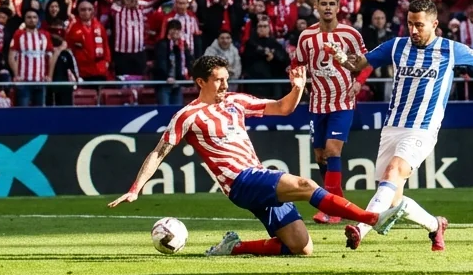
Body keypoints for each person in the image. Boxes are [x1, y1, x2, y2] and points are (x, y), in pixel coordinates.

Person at [109, 57, 401, 256]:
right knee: (306, 185)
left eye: (227, 79)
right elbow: (159, 151)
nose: (225, 85)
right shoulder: (187, 116)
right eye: (218, 80)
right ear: (200, 82)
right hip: (240, 181)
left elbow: (281, 108)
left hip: (257, 176)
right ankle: (372, 218)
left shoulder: (237, 102)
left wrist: (297, 88)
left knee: (301, 248)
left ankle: (233, 247)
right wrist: (136, 189)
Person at [326, 0, 473, 252]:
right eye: (410, 24)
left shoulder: (450, 49)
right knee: (392, 202)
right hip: (392, 128)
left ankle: (361, 228)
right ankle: (436, 225)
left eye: (419, 25)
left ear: (434, 24)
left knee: (394, 171)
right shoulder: (397, 46)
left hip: (422, 128)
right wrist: (341, 57)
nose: (413, 30)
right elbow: (358, 64)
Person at [289, 0, 366, 224]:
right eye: (324, 4)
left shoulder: (350, 34)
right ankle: (338, 203)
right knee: (321, 156)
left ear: (339, 6)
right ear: (317, 6)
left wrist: (358, 83)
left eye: (332, 3)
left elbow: (366, 62)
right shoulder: (307, 36)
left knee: (333, 150)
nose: (328, 7)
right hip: (317, 103)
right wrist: (297, 82)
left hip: (342, 101)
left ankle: (330, 208)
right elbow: (297, 63)